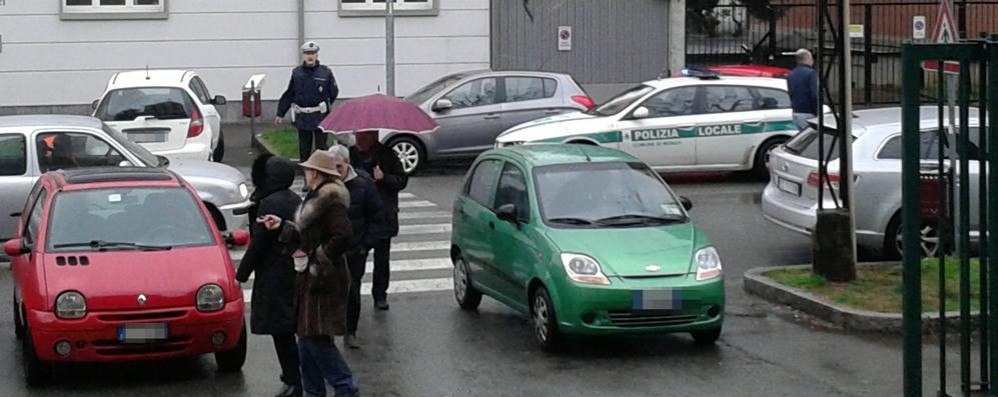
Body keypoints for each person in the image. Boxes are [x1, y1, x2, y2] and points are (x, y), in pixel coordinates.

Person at [259, 150, 359, 397]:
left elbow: (343, 235)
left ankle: (346, 386)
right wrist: (282, 226)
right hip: (311, 279)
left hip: (324, 279)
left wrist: (318, 260)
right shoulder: (317, 197)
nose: (304, 174)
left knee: (315, 339)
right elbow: (308, 234)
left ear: (316, 174)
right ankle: (314, 392)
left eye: (307, 170)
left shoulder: (330, 201)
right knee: (305, 340)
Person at [236, 154, 303, 397]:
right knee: (291, 327)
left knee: (280, 329)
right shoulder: (293, 198)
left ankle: (293, 380)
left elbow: (259, 244)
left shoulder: (269, 203)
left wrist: (241, 274)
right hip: (291, 269)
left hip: (274, 273)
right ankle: (298, 377)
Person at [328, 145, 386, 349]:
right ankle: (330, 330)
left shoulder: (363, 185)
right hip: (330, 250)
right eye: (332, 167)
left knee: (352, 291)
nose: (336, 172)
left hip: (355, 250)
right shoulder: (325, 185)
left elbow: (378, 217)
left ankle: (350, 330)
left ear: (347, 164)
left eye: (339, 167)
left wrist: (365, 245)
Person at [350, 130, 408, 311]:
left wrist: (384, 178)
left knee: (382, 259)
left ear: (373, 136)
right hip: (360, 215)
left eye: (363, 136)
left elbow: (401, 180)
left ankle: (380, 295)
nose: (358, 139)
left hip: (383, 214)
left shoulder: (387, 154)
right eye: (356, 135)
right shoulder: (351, 154)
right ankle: (352, 295)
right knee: (355, 257)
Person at [276, 41, 339, 164]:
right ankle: (307, 177)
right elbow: (290, 93)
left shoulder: (325, 72)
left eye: (313, 53)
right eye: (307, 54)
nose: (310, 56)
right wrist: (280, 113)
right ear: (303, 55)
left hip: (320, 117)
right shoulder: (297, 73)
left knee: (321, 149)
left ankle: (323, 175)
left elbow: (333, 92)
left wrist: (325, 106)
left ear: (317, 55)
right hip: (303, 117)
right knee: (304, 150)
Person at [787, 48, 819, 131]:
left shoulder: (791, 74)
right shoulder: (811, 73)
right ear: (807, 59)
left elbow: (791, 93)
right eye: (812, 59)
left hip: (796, 112)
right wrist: (816, 112)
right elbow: (815, 95)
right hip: (809, 113)